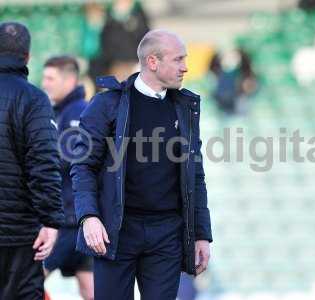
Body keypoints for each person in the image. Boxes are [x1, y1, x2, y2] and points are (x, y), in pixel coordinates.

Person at [71, 29, 213, 300]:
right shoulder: (107, 104)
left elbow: (195, 175)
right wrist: (88, 217)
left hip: (167, 234)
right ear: (152, 62)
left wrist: (201, 234)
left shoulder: (185, 108)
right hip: (116, 231)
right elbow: (83, 166)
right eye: (178, 59)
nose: (185, 67)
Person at [0, 21, 64, 300]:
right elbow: (44, 163)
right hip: (19, 235)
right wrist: (50, 221)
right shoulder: (34, 99)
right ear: (27, 56)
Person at [41, 55, 93, 300]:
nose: (45, 83)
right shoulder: (59, 111)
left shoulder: (78, 114)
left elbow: (70, 161)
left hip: (69, 221)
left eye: (50, 78)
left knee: (29, 280)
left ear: (70, 79)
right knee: (91, 290)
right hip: (77, 219)